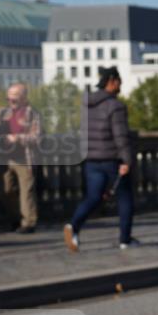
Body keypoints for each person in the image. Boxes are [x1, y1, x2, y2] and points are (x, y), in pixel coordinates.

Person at [64, 67, 138, 252]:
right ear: (112, 81)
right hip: (111, 159)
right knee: (124, 198)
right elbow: (120, 136)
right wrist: (127, 161)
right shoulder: (116, 106)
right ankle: (125, 239)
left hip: (91, 159)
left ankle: (74, 226)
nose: (121, 84)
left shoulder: (86, 104)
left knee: (93, 197)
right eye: (119, 81)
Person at [0, 83, 42, 233]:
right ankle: (15, 219)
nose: (10, 102)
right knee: (6, 190)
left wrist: (17, 138)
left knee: (27, 192)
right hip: (5, 157)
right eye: (8, 98)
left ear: (24, 98)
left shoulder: (32, 113)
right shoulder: (3, 112)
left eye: (14, 99)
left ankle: (28, 222)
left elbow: (37, 137)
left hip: (24, 157)